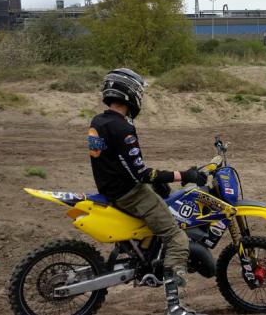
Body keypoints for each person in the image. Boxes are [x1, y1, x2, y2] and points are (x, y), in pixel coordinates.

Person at [88, 68, 205, 315]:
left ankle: (147, 254)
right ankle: (174, 306)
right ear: (131, 94)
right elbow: (141, 173)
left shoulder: (98, 121)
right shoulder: (123, 128)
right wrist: (184, 175)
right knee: (177, 238)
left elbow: (118, 162)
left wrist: (156, 182)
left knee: (161, 196)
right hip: (130, 193)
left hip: (110, 187)